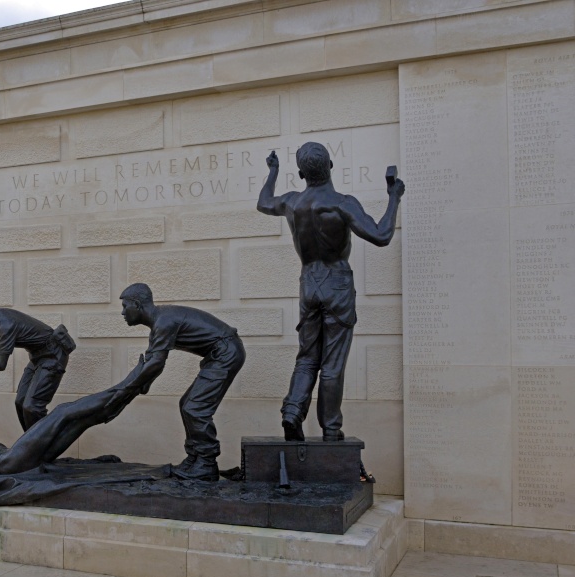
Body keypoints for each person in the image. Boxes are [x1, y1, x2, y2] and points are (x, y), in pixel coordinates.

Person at [256, 142, 404, 441]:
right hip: (337, 283)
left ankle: (292, 411)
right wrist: (393, 198)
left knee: (307, 357)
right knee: (332, 362)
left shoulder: (292, 203)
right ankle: (331, 430)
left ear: (300, 173)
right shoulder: (342, 204)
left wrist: (272, 172)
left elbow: (263, 202)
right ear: (331, 167)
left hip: (309, 283)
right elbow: (381, 235)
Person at [0, 352, 142, 522]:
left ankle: (131, 392)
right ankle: (129, 384)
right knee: (63, 412)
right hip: (12, 460)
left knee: (81, 422)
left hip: (22, 458)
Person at [104, 283, 245, 482]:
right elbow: (154, 364)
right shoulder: (159, 324)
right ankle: (195, 458)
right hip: (220, 354)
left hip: (226, 353)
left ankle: (206, 463)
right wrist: (141, 386)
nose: (123, 312)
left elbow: (155, 364)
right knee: (187, 405)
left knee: (195, 407)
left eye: (125, 306)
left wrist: (127, 390)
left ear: (137, 304)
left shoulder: (163, 322)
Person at [0, 278, 76, 432]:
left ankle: (44, 447)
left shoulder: (3, 324)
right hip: (37, 357)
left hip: (53, 354)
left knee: (32, 407)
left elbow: (0, 364)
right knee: (20, 402)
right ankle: (31, 446)